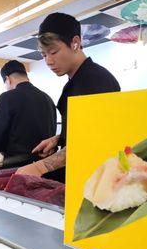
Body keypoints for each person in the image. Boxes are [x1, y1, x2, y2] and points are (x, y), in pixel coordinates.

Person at [17, 13, 120, 182]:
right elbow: (84, 128)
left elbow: (93, 140)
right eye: (43, 55)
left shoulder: (95, 80)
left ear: (75, 43)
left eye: (53, 52)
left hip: (96, 180)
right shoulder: (77, 80)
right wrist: (59, 138)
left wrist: (40, 167)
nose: (48, 61)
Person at [0, 60, 57, 168]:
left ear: (8, 79)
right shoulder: (47, 98)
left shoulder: (7, 97)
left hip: (17, 168)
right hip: (45, 168)